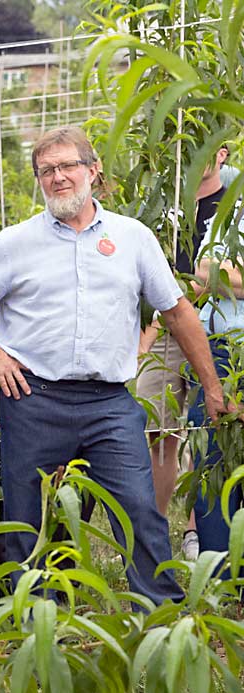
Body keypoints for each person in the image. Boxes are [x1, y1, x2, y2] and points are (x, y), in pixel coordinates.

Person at [0, 126, 232, 606]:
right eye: (46, 171)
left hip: (110, 403)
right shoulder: (15, 243)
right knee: (28, 516)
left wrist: (213, 387)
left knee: (139, 506)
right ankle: (35, 616)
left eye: (67, 166)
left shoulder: (133, 238)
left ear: (93, 171)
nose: (57, 178)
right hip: (32, 397)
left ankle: (160, 611)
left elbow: (178, 312)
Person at [137, 144, 230, 560]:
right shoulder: (163, 198)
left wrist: (188, 288)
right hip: (164, 326)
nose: (194, 154)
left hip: (221, 325)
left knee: (213, 429)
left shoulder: (235, 202)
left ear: (223, 154)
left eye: (206, 146)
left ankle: (198, 530)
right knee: (158, 429)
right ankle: (154, 531)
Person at [185, 145, 244, 560]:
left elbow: (208, 273)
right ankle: (218, 576)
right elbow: (201, 271)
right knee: (209, 454)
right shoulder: (232, 210)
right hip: (218, 346)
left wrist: (215, 274)